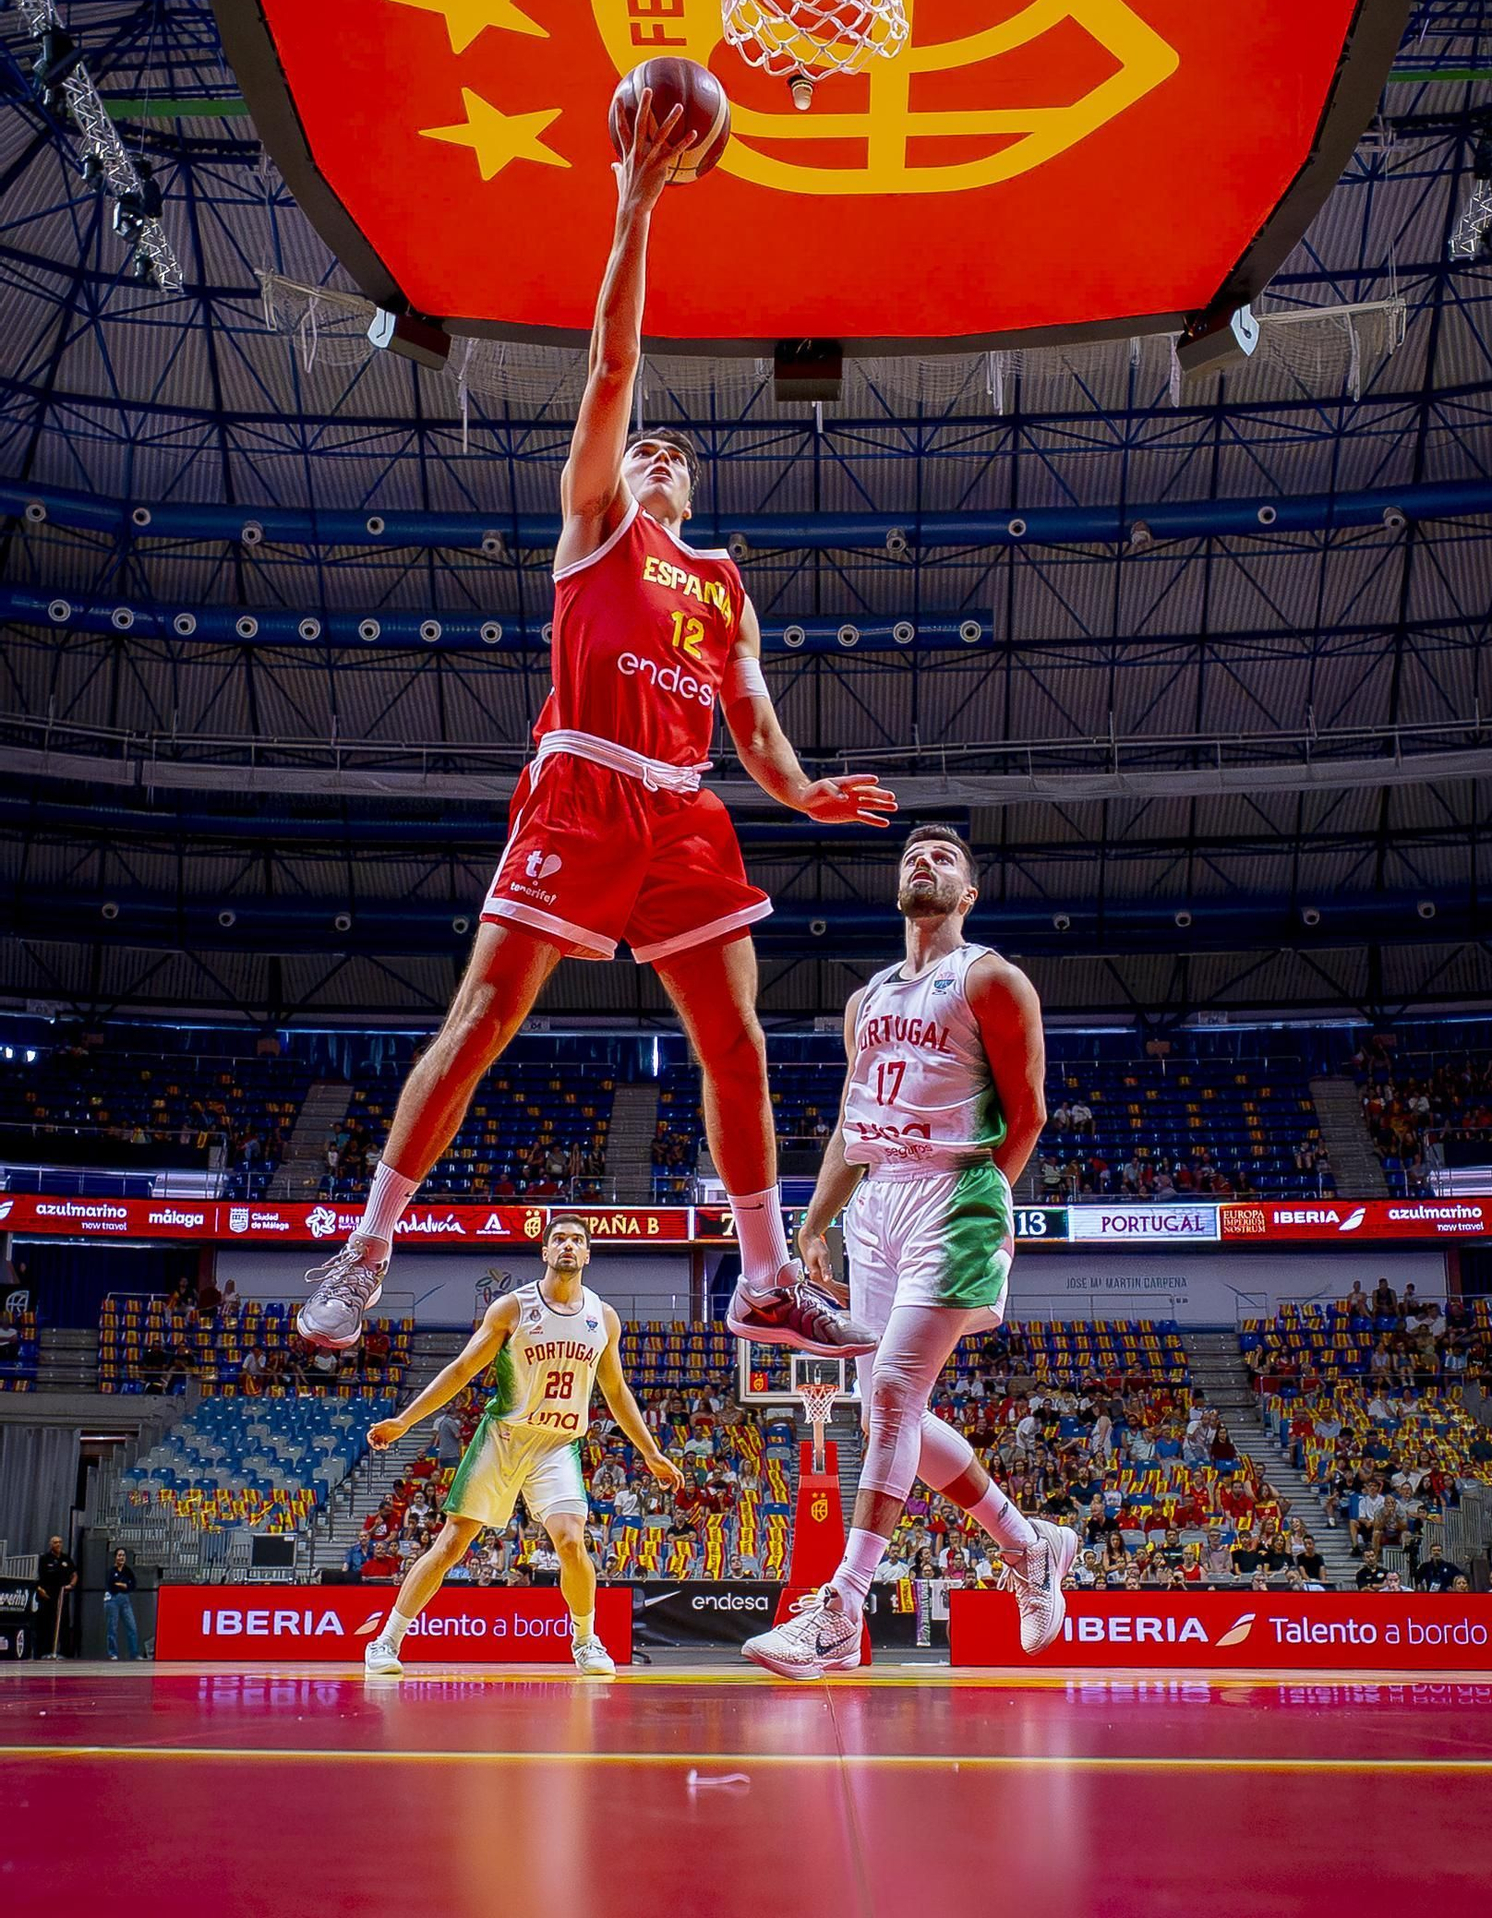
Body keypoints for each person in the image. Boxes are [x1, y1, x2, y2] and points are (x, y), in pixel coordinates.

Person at [297, 95, 892, 1363]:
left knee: (735, 1041)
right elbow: (613, 369)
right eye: (646, 452)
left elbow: (755, 725)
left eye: (678, 456)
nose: (660, 458)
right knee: (478, 1024)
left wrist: (801, 797)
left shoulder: (722, 579)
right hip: (577, 787)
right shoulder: (593, 527)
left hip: (683, 805)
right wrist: (635, 204)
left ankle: (768, 1277)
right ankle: (367, 1249)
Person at [741, 826, 1073, 1679]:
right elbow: (855, 1129)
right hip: (877, 1202)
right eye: (911, 856)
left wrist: (979, 1196)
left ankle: (842, 1608)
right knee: (890, 1410)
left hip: (956, 1188)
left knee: (890, 1387)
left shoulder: (992, 978)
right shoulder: (866, 1001)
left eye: (946, 858)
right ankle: (1029, 1547)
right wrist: (814, 1223)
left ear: (968, 895)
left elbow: (1028, 1111)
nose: (923, 862)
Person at [360, 1214, 682, 1679]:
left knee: (572, 1542)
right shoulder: (512, 1307)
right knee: (452, 1544)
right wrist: (406, 1420)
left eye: (576, 1240)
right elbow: (462, 1369)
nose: (568, 1246)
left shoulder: (603, 1317)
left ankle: (586, 1640)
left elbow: (615, 1390)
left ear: (588, 1255)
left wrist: (650, 1451)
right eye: (558, 1239)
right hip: (504, 1439)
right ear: (545, 1252)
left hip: (557, 1445)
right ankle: (386, 1640)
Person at [35, 1534, 76, 1659]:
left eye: (60, 1542)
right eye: (55, 1542)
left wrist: (72, 1584)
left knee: (63, 1623)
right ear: (51, 1544)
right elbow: (39, 1577)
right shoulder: (45, 1558)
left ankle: (63, 1652)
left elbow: (74, 1574)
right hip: (48, 1595)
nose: (58, 1544)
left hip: (62, 1594)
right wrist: (40, 1590)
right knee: (47, 1623)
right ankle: (44, 1652)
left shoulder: (66, 1559)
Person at [103, 1549, 140, 1660]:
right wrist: (123, 1585)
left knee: (132, 1627)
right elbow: (111, 1585)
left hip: (125, 1600)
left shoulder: (128, 1571)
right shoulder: (111, 1571)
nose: (121, 1557)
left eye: (123, 1555)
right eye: (119, 1555)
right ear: (115, 1557)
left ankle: (134, 1653)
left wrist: (125, 1585)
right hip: (112, 1599)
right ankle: (112, 1653)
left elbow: (132, 1584)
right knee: (112, 1627)